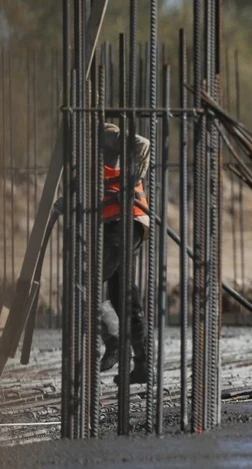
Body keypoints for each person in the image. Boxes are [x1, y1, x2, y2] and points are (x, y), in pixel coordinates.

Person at [54, 122, 151, 384]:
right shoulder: (88, 153)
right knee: (123, 296)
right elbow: (88, 187)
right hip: (123, 225)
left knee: (82, 286)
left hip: (122, 222)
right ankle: (143, 364)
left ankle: (112, 342)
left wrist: (131, 183)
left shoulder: (103, 133)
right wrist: (63, 203)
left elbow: (142, 144)